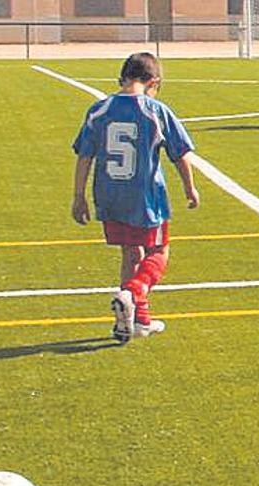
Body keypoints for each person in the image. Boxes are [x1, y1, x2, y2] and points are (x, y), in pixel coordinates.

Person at [71, 52, 201, 343]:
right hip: (145, 197)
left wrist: (78, 196)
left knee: (131, 252)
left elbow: (84, 155)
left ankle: (136, 321)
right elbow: (180, 154)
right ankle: (131, 293)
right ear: (153, 81)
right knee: (159, 252)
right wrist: (189, 187)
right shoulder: (155, 110)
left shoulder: (99, 110)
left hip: (109, 195)